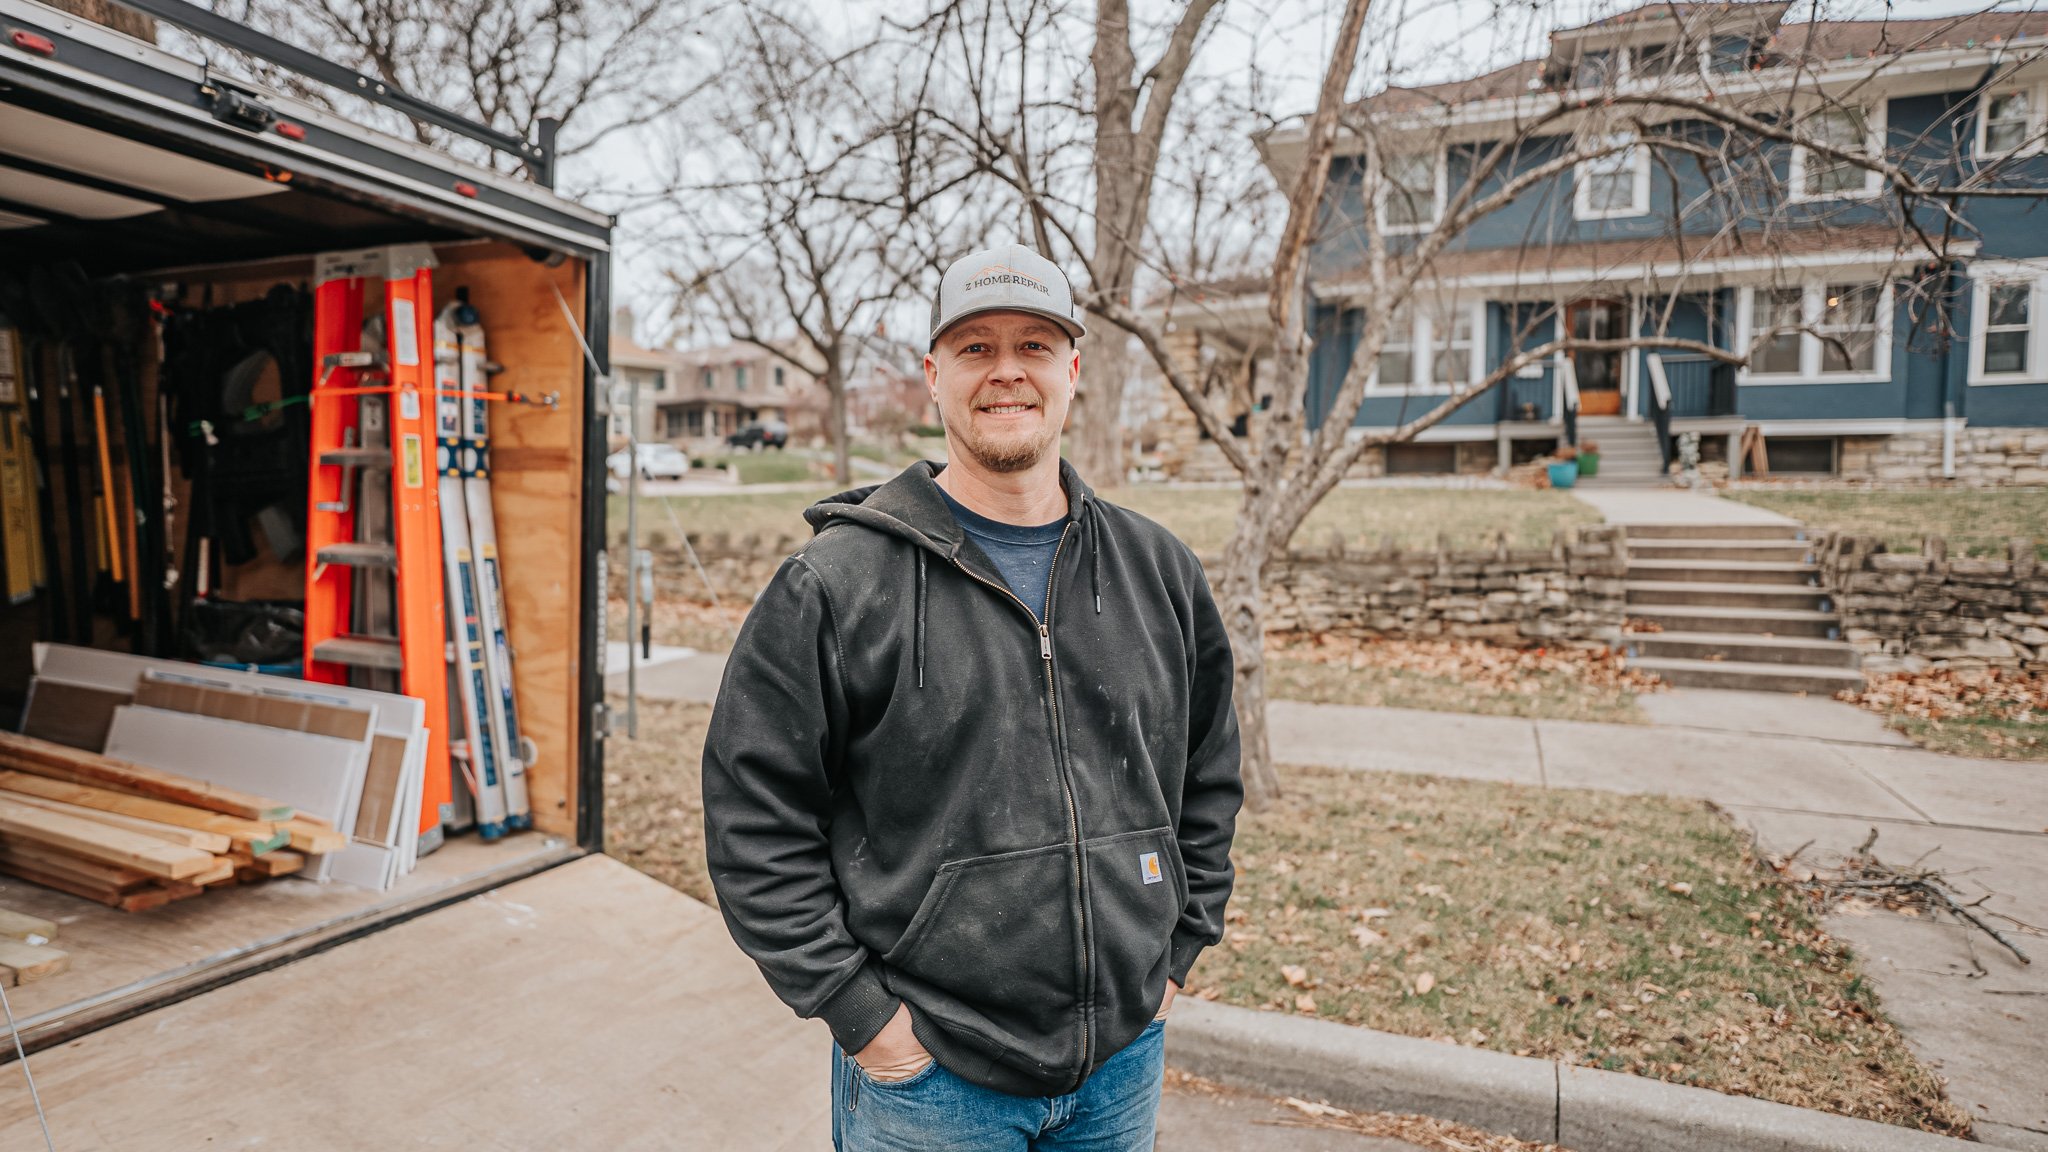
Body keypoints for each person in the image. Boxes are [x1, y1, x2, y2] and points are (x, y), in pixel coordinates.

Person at [702, 244, 1243, 1150]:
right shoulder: (836, 584)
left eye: (1034, 345)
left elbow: (1207, 778)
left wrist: (1176, 956)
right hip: (932, 1085)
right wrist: (866, 1022)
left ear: (1073, 370)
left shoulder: (1160, 572)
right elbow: (754, 821)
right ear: (932, 376)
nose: (1007, 372)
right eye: (975, 348)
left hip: (1121, 1060)